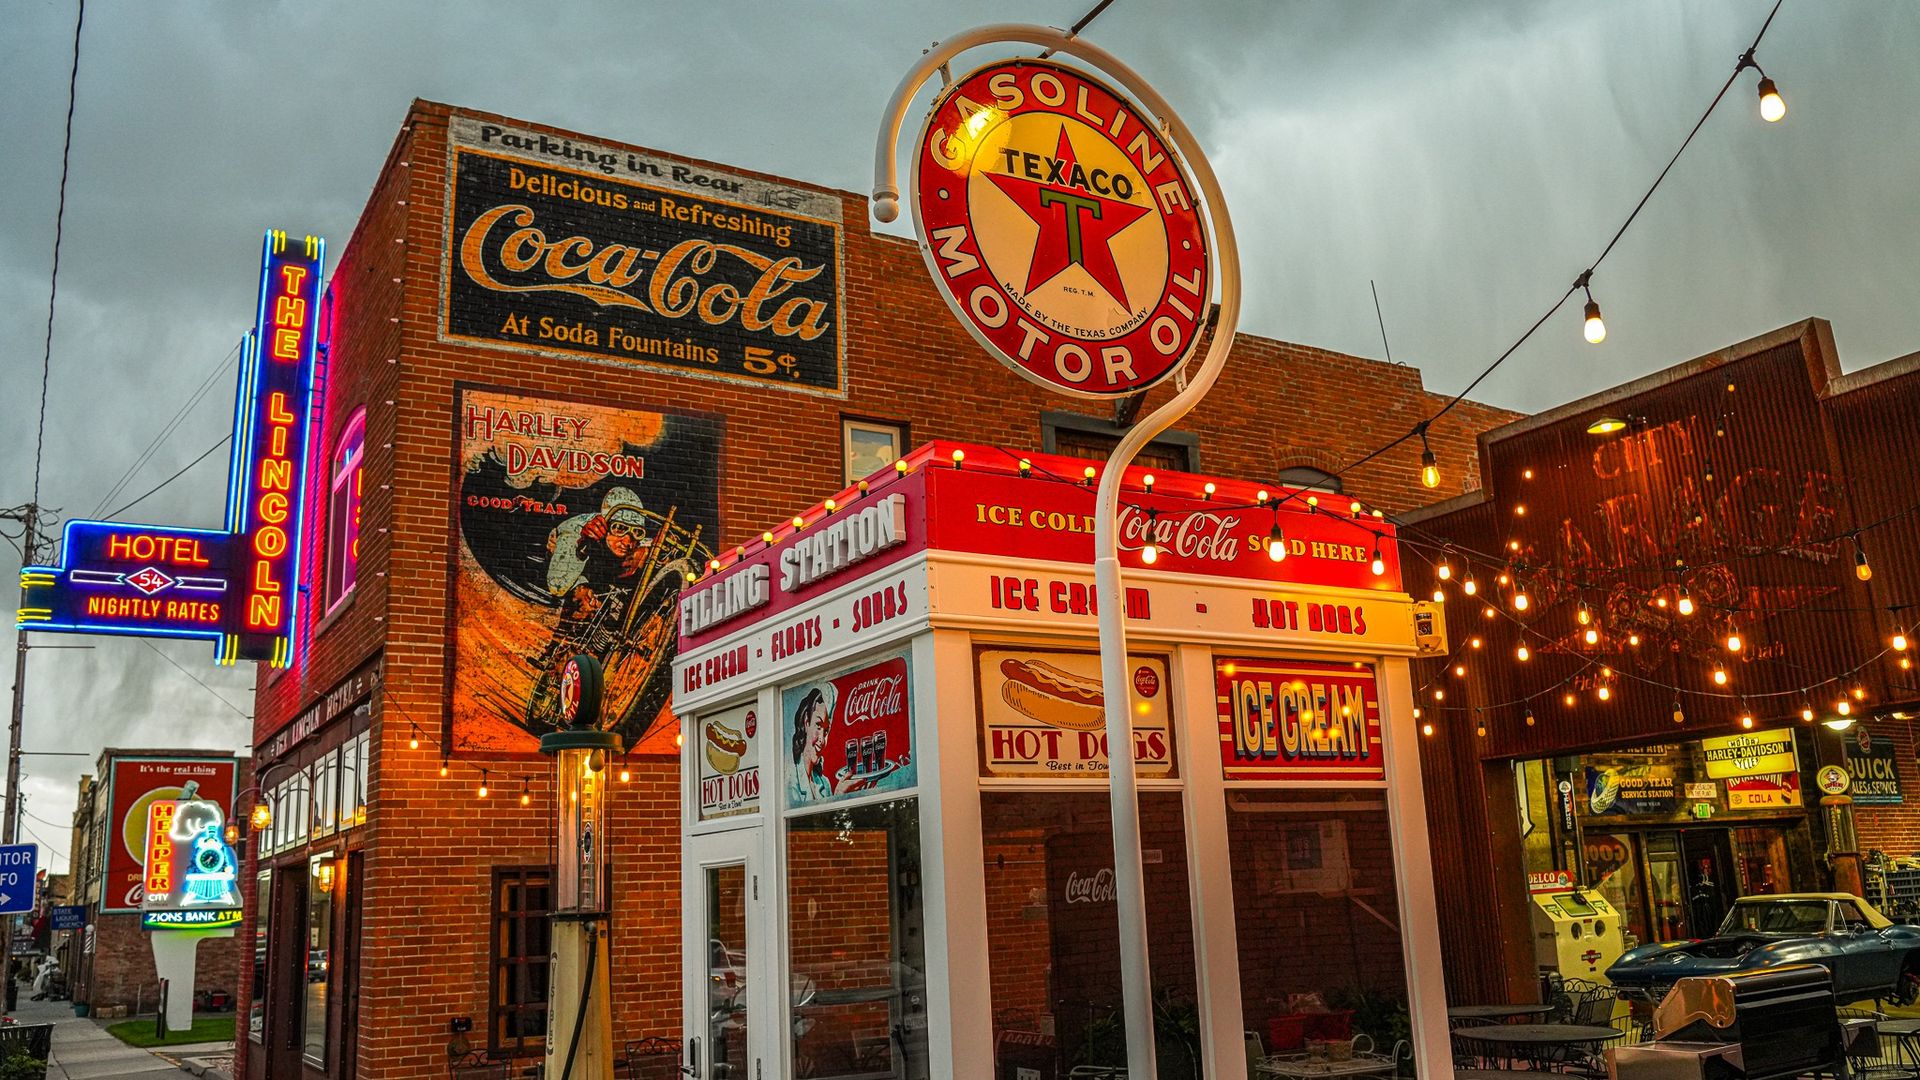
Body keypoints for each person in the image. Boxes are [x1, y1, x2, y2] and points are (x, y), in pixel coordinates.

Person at [788, 687, 834, 805]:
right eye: (818, 726)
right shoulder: (790, 782)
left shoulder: (825, 784)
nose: (822, 740)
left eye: (826, 731)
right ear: (806, 722)